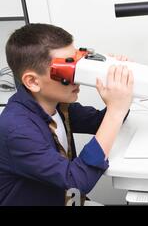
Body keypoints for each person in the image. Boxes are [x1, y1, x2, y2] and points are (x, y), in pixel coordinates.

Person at [0, 23, 134, 205]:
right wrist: (116, 111)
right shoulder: (16, 129)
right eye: (67, 71)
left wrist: (116, 79)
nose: (77, 78)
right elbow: (76, 181)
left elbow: (100, 122)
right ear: (32, 81)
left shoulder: (57, 105)